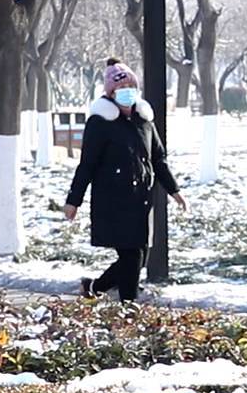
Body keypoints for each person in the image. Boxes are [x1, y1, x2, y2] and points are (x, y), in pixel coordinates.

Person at [62, 58, 186, 303]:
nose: (127, 93)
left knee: (140, 255)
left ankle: (95, 286)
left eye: (131, 87)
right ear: (110, 92)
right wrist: (73, 201)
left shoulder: (143, 121)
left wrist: (175, 190)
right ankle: (129, 310)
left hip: (141, 200)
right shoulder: (100, 123)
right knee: (131, 257)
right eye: (121, 89)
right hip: (113, 200)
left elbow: (158, 159)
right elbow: (87, 164)